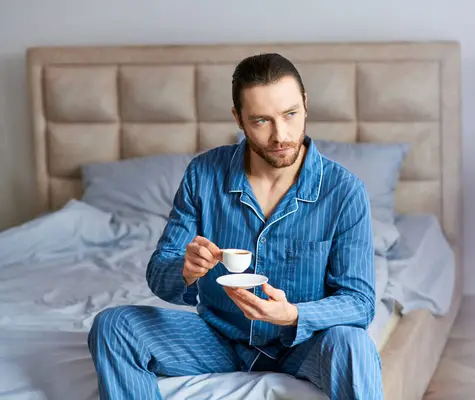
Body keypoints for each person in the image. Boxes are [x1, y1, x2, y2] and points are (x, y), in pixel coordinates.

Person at [87, 52, 383, 400]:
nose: (280, 135)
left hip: (301, 343)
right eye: (261, 121)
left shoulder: (344, 191)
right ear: (238, 119)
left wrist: (292, 315)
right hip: (217, 338)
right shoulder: (202, 175)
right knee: (114, 326)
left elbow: (359, 302)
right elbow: (159, 274)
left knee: (353, 343)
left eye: (290, 114)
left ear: (305, 104)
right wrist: (184, 269)